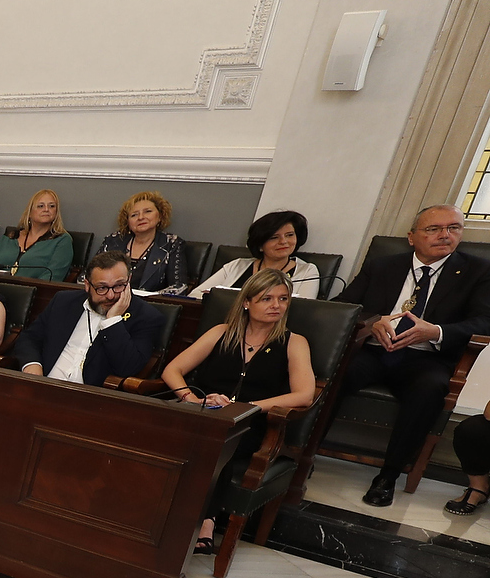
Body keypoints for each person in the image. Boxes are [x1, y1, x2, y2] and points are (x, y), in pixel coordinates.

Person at [334, 203, 490, 505]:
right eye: (434, 229)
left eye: (453, 228)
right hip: (373, 351)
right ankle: (298, 454)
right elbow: (343, 306)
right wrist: (374, 321)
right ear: (411, 236)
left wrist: (437, 331)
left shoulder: (478, 270)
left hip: (426, 358)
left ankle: (387, 477)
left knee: (430, 390)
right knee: (335, 372)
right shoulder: (382, 265)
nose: (445, 235)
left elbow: (485, 321)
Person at [160, 270, 317, 552]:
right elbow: (173, 369)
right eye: (266, 298)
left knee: (225, 442)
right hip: (204, 413)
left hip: (252, 423)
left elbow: (304, 395)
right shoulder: (221, 333)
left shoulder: (294, 342)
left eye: (283, 299)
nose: (276, 306)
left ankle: (205, 521)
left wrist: (246, 408)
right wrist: (191, 399)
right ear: (246, 302)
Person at [15, 253, 165, 384]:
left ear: (129, 280)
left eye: (119, 286)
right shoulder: (63, 301)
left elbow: (128, 368)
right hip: (44, 385)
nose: (111, 295)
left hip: (90, 401)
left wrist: (112, 321)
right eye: (102, 288)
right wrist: (32, 365)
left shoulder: (146, 317)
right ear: (87, 285)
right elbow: (29, 338)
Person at [193, 210, 320, 300]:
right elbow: (195, 295)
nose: (283, 242)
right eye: (274, 237)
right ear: (260, 245)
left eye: (289, 235)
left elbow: (302, 309)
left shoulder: (307, 271)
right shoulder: (237, 265)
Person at [98, 191, 189, 295]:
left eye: (148, 211)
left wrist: (147, 297)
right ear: (128, 222)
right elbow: (85, 278)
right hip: (110, 300)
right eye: (134, 215)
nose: (141, 217)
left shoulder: (171, 244)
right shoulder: (113, 241)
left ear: (160, 216)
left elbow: (180, 287)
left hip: (150, 305)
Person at [0, 189, 74, 282]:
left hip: (32, 293)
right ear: (30, 212)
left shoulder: (62, 240)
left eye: (52, 206)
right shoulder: (10, 236)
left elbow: (52, 277)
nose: (46, 209)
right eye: (41, 206)